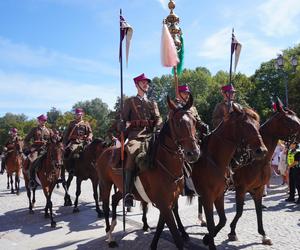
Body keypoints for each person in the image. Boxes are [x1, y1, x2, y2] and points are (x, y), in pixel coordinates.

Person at [121, 73, 162, 207]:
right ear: (136, 84)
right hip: (136, 136)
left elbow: (158, 118)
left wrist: (158, 125)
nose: (146, 84)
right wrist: (121, 124)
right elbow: (122, 119)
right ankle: (127, 193)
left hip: (151, 134)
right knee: (132, 152)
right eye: (143, 82)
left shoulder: (152, 103)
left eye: (147, 83)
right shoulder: (130, 101)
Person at [24, 114, 53, 188]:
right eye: (42, 120)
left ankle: (57, 177)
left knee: (56, 159)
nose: (43, 121)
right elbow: (26, 140)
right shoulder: (34, 129)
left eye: (44, 120)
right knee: (32, 161)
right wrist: (31, 147)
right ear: (38, 121)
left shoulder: (49, 130)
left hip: (46, 149)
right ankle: (32, 179)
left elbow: (53, 140)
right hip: (36, 149)